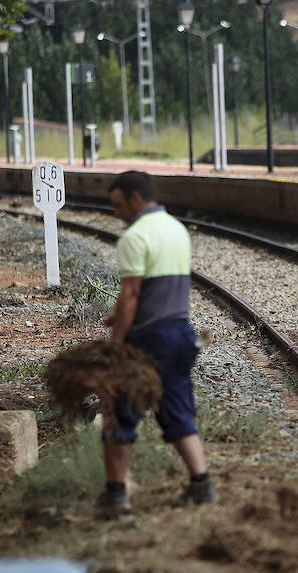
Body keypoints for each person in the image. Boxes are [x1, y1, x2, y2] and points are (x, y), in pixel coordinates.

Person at [97, 170, 216, 516]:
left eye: (118, 206)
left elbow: (132, 294)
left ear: (135, 199)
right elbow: (161, 289)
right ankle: (201, 484)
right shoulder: (176, 228)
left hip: (147, 341)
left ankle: (116, 494)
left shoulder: (134, 237)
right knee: (177, 408)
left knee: (119, 412)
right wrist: (118, 314)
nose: (116, 213)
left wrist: (116, 345)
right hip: (180, 335)